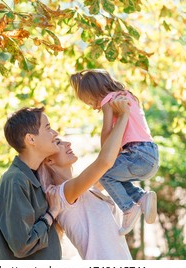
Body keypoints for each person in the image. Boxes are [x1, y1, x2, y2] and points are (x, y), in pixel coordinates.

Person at [38, 97, 133, 259]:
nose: (68, 143)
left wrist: (108, 110)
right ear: (49, 160)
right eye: (58, 143)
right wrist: (124, 115)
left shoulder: (86, 191)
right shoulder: (62, 194)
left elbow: (112, 156)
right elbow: (105, 161)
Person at [70, 69, 160, 235]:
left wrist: (104, 153)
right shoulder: (127, 96)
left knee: (104, 174)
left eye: (89, 102)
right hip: (151, 155)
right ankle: (141, 197)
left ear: (95, 91)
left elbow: (106, 131)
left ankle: (128, 208)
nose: (92, 107)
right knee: (114, 176)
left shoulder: (108, 100)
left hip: (136, 153)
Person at [0, 107, 62, 260]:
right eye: (48, 128)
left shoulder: (33, 176)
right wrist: (51, 213)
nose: (55, 133)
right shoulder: (16, 180)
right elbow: (22, 245)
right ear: (31, 139)